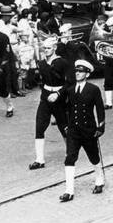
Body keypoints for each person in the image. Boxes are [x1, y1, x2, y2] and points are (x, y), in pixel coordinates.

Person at [60, 59, 106, 202]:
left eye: (80, 72)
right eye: (76, 71)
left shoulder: (93, 89)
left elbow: (99, 109)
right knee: (69, 158)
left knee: (94, 157)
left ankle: (99, 180)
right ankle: (69, 191)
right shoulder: (70, 90)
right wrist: (66, 125)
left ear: (87, 74)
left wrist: (100, 127)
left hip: (88, 130)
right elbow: (67, 109)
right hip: (74, 131)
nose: (77, 74)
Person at [30, 32, 70, 170]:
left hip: (59, 98)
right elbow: (41, 81)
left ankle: (70, 153)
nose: (46, 51)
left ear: (54, 48)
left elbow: (69, 83)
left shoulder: (62, 63)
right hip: (46, 97)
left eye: (48, 48)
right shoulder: (41, 64)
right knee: (39, 126)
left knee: (64, 126)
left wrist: (58, 94)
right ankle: (39, 159)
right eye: (44, 48)